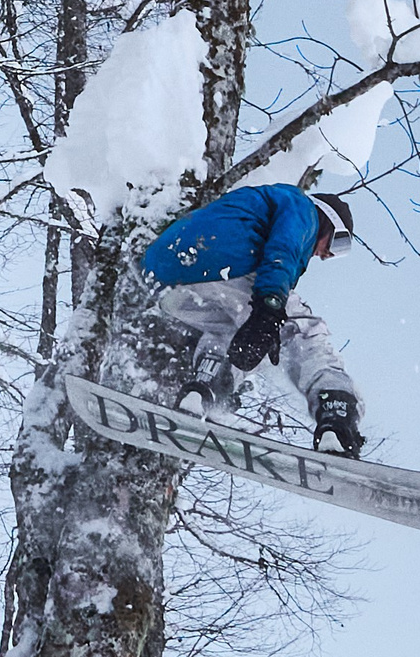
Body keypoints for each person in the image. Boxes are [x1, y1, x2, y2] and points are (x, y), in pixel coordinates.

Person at [135, 183, 366, 457]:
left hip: (167, 282)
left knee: (236, 330)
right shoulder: (303, 208)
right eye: (338, 243)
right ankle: (336, 414)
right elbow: (283, 249)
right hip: (219, 264)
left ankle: (204, 389)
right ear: (327, 219)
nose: (327, 255)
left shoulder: (269, 203)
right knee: (302, 329)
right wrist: (271, 305)